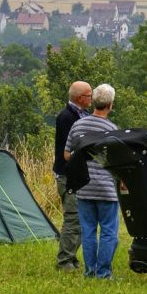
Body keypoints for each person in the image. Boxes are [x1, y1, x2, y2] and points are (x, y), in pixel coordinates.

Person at [63, 84, 120, 278]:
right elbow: (116, 162)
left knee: (88, 231)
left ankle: (89, 271)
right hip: (106, 188)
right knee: (108, 231)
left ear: (94, 101)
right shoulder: (112, 129)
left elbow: (66, 155)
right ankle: (103, 273)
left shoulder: (78, 125)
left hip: (84, 187)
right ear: (110, 104)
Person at [52, 81, 91, 270]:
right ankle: (64, 260)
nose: (91, 98)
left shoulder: (83, 115)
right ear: (79, 98)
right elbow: (69, 148)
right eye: (88, 95)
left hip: (79, 175)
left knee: (82, 218)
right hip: (67, 176)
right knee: (73, 217)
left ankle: (73, 256)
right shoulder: (66, 117)